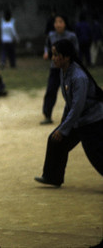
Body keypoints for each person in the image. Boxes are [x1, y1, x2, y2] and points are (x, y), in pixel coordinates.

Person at [34, 39, 103, 187]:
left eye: (56, 55)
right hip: (78, 120)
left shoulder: (78, 77)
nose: (53, 58)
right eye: (52, 54)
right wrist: (63, 126)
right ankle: (52, 177)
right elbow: (69, 102)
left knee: (96, 154)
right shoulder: (63, 71)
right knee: (55, 140)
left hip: (92, 121)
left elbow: (77, 107)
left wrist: (64, 128)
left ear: (66, 57)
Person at [40, 15, 79, 125]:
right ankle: (47, 115)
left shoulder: (71, 36)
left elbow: (76, 50)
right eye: (56, 22)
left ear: (65, 23)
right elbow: (46, 46)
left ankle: (74, 115)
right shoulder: (51, 35)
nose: (58, 24)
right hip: (55, 68)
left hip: (68, 69)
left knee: (70, 92)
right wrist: (46, 52)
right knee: (51, 90)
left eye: (60, 22)